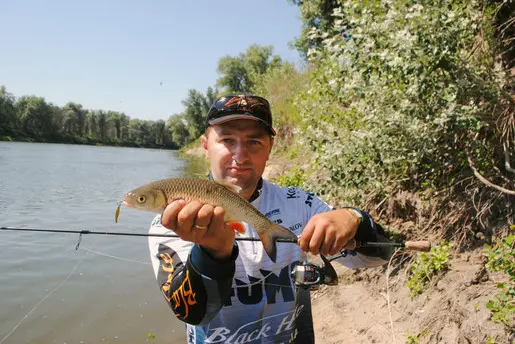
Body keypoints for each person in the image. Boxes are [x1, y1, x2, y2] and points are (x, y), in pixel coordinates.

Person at [147, 93, 392, 344]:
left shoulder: (301, 205)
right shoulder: (171, 222)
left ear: (270, 148)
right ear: (205, 146)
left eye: (253, 142)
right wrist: (212, 255)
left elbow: (377, 258)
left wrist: (354, 218)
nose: (240, 156)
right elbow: (193, 313)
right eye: (227, 140)